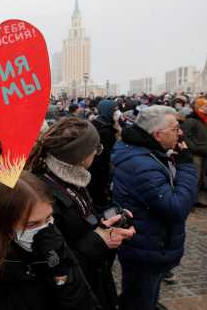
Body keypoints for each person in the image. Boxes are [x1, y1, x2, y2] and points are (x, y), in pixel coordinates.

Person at [0, 130, 99, 310]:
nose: (44, 228)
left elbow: (82, 300)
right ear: (4, 223)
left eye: (48, 217)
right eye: (32, 224)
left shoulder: (51, 241)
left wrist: (61, 266)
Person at [26, 117, 135, 310]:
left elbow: (83, 216)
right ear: (82, 156)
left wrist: (105, 220)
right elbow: (49, 266)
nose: (97, 154)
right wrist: (97, 241)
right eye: (96, 149)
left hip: (94, 280)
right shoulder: (41, 194)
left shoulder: (74, 178)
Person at [112, 106, 197, 310]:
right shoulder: (142, 164)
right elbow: (175, 207)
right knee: (139, 298)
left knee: (145, 293)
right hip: (146, 250)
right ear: (157, 134)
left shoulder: (147, 153)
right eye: (175, 129)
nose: (180, 133)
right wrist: (186, 166)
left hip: (151, 245)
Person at [88, 99, 121, 212]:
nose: (117, 112)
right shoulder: (105, 130)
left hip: (97, 168)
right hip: (100, 169)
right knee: (99, 193)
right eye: (114, 110)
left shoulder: (98, 123)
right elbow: (109, 153)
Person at [181, 97, 207, 208]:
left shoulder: (206, 119)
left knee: (200, 179)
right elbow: (184, 136)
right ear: (199, 107)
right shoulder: (191, 120)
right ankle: (189, 201)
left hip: (204, 152)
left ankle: (194, 200)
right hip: (195, 154)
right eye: (206, 105)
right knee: (195, 178)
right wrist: (194, 148)